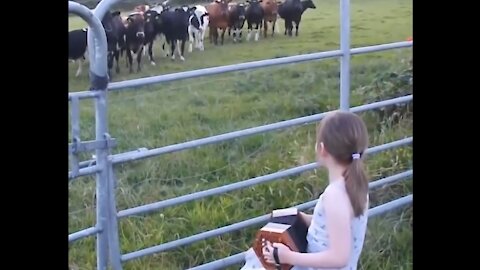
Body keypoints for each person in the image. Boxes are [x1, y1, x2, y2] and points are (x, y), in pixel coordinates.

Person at [240, 110, 370, 270]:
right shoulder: (356, 185)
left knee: (258, 262)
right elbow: (336, 225)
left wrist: (288, 257)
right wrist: (301, 218)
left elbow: (339, 257)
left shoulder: (335, 195)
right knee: (259, 257)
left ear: (322, 149)